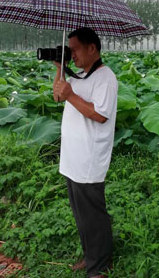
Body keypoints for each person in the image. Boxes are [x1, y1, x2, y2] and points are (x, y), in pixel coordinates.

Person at [53, 28, 118, 278]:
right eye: (69, 50)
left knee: (93, 216)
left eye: (75, 49)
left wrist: (70, 94)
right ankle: (91, 256)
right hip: (72, 158)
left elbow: (100, 115)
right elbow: (58, 96)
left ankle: (100, 267)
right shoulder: (79, 75)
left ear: (92, 48)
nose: (73, 54)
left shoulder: (105, 77)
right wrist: (60, 67)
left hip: (89, 159)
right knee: (81, 214)